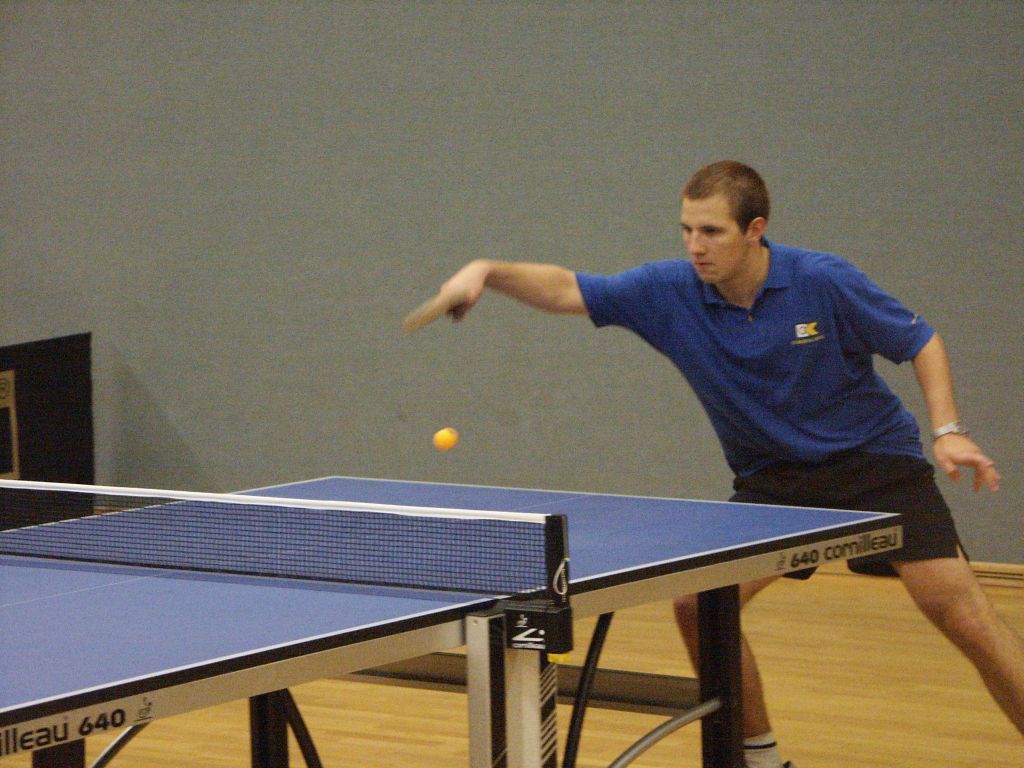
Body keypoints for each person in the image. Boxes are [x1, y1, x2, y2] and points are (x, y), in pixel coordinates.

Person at [421, 160, 1024, 765]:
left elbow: (920, 340)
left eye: (711, 231)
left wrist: (948, 431)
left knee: (964, 618)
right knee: (700, 607)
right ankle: (760, 757)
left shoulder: (821, 279)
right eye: (687, 230)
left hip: (874, 463)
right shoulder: (670, 292)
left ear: (754, 229)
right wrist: (487, 271)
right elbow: (564, 290)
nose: (695, 246)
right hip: (774, 481)